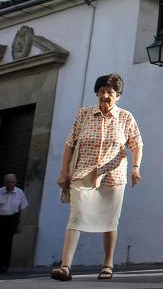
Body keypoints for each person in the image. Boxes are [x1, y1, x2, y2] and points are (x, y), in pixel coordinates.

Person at [51, 74, 143, 281]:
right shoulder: (84, 114)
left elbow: (137, 145)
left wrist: (136, 168)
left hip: (113, 175)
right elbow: (70, 144)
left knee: (110, 221)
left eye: (110, 92)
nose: (105, 96)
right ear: (96, 94)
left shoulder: (125, 117)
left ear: (118, 96)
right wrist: (64, 172)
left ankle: (107, 265)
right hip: (83, 173)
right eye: (101, 92)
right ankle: (65, 266)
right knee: (76, 216)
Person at [0, 173, 28, 274]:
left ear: (15, 182)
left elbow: (22, 208)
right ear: (5, 183)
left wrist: (20, 223)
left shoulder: (20, 193)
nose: (10, 184)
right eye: (8, 182)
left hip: (11, 219)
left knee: (7, 243)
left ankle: (3, 265)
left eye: (12, 182)